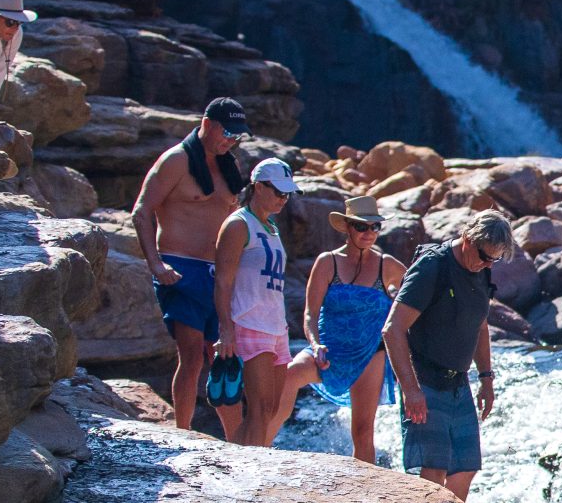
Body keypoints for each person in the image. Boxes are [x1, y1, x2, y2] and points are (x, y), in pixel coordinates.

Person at [130, 97, 251, 431]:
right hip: (180, 270)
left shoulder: (230, 164)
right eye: (227, 132)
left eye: (237, 135)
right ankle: (182, 432)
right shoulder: (176, 160)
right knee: (192, 354)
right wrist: (155, 265)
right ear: (207, 123)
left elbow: (234, 218)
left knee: (225, 356)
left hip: (218, 273)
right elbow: (142, 210)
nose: (231, 140)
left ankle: (237, 443)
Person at [382, 213, 510, 502]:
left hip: (458, 382)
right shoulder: (432, 267)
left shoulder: (482, 269)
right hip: (425, 379)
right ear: (467, 238)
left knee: (466, 467)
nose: (487, 264)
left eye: (494, 260)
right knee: (433, 470)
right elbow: (392, 329)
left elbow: (480, 324)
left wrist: (486, 378)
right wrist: (411, 390)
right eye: (484, 256)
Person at [271, 196, 404, 462]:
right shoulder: (327, 262)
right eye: (361, 226)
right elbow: (310, 313)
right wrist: (316, 343)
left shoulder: (386, 264)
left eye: (374, 227)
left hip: (370, 354)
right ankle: (262, 445)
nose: (368, 233)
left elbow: (416, 295)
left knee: (363, 431)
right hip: (329, 349)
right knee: (290, 374)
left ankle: (365, 493)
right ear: (346, 227)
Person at [211, 157, 299, 447]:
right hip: (248, 322)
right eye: (278, 191)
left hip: (276, 326)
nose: (283, 199)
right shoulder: (238, 224)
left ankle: (240, 462)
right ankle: (252, 475)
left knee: (270, 409)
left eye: (287, 194)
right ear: (258, 187)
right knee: (259, 408)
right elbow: (222, 280)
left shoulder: (271, 228)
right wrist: (226, 330)